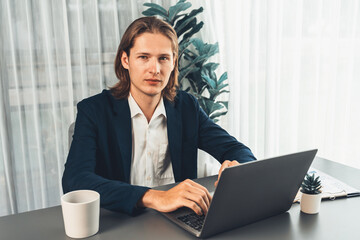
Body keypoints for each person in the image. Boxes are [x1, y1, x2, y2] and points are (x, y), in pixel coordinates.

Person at [62, 16, 256, 217]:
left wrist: (238, 167)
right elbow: (75, 180)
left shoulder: (186, 107)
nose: (155, 69)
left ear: (173, 62)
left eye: (163, 58)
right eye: (144, 57)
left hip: (178, 219)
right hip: (122, 221)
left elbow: (236, 150)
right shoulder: (94, 110)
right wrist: (154, 197)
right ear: (125, 60)